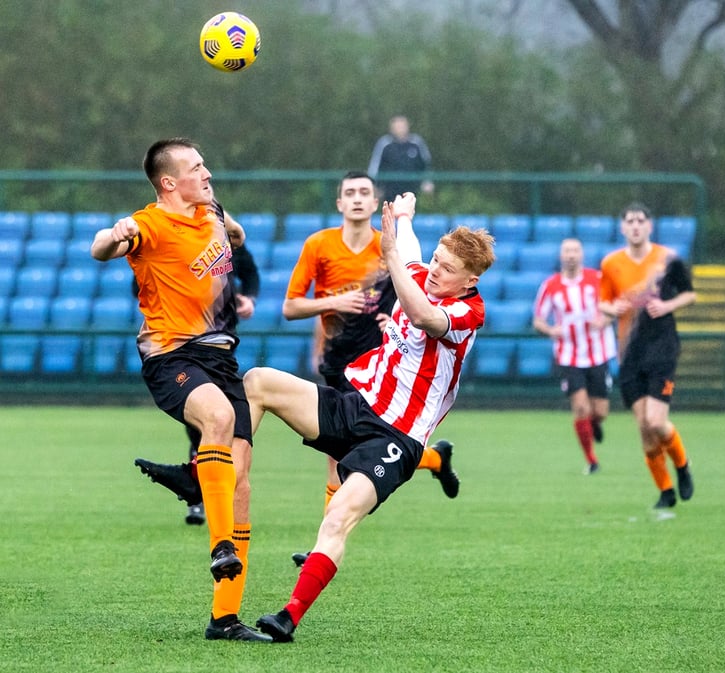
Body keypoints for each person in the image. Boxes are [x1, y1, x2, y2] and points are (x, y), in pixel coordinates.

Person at [246, 193, 495, 642]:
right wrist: (403, 217)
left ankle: (288, 618)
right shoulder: (423, 269)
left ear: (469, 280)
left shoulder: (466, 312)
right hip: (356, 406)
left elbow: (420, 313)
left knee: (338, 516)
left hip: (396, 438)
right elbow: (415, 251)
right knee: (259, 381)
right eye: (435, 260)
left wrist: (392, 252)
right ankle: (213, 479)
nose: (435, 270)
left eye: (447, 269)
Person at [91, 137, 272, 642]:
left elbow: (233, 235)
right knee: (217, 419)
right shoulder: (148, 223)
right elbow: (100, 247)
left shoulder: (210, 211)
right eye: (197, 167)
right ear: (169, 182)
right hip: (172, 355)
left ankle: (225, 619)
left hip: (223, 356)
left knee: (241, 484)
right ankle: (218, 544)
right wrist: (115, 233)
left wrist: (232, 227)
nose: (207, 172)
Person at [281, 170, 459, 566]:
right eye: (350, 193)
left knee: (348, 457)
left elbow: (417, 298)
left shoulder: (388, 247)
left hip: (382, 367)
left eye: (365, 192)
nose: (358, 198)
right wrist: (333, 303)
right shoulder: (319, 245)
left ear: (375, 200)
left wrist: (395, 323)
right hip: (337, 357)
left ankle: (320, 546)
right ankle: (434, 459)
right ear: (340, 203)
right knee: (337, 456)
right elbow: (291, 307)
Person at [134, 234, 261, 526]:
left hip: (220, 347)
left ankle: (196, 481)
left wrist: (247, 298)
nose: (205, 187)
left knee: (235, 435)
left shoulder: (222, 237)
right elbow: (137, 278)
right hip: (181, 347)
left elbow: (249, 270)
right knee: (211, 420)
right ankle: (206, 509)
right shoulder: (167, 239)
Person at [599, 202, 696, 509]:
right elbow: (604, 302)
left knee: (656, 421)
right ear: (623, 227)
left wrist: (667, 306)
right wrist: (611, 309)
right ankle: (666, 491)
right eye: (630, 221)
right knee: (644, 426)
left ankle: (682, 465)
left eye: (641, 220)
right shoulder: (610, 263)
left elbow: (689, 293)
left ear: (650, 226)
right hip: (629, 351)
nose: (636, 225)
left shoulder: (667, 259)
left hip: (662, 347)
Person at [533, 238, 617, 474]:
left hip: (598, 353)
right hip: (569, 355)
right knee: (580, 407)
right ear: (561, 256)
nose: (571, 255)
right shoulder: (550, 286)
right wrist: (551, 330)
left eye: (575, 251)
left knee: (600, 411)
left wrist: (605, 321)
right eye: (567, 251)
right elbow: (538, 320)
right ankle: (592, 461)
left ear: (582, 255)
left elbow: (614, 308)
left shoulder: (597, 279)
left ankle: (594, 423)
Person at [367, 115, 434, 202]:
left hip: (412, 190)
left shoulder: (417, 142)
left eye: (402, 126)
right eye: (397, 127)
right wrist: (373, 185)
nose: (400, 129)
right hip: (389, 190)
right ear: (391, 128)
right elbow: (374, 166)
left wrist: (427, 181)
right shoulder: (384, 143)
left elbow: (426, 164)